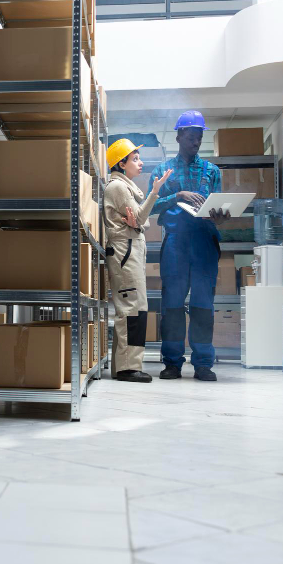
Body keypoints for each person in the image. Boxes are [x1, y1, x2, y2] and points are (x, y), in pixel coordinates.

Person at [148, 111, 229, 382]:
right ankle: (172, 362)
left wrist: (221, 215)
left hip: (205, 240)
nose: (196, 142)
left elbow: (218, 207)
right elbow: (150, 206)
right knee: (172, 304)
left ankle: (203, 363)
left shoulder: (212, 171)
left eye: (199, 137)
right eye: (192, 136)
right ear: (179, 135)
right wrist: (177, 195)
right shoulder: (162, 171)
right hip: (176, 242)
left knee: (203, 304)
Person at [103, 139, 171, 382]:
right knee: (132, 311)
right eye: (134, 159)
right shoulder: (118, 188)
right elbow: (142, 218)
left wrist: (139, 220)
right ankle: (127, 368)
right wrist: (154, 191)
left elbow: (142, 220)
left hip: (129, 250)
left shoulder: (125, 187)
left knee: (134, 310)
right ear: (121, 164)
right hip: (125, 252)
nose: (140, 163)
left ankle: (126, 366)